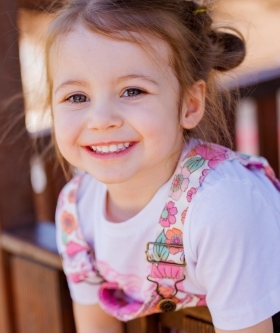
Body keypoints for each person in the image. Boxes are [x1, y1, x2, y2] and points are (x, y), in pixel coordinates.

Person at [47, 0, 280, 332]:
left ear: (189, 104)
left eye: (132, 91)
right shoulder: (76, 211)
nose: (101, 120)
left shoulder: (222, 206)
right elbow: (96, 326)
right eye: (77, 97)